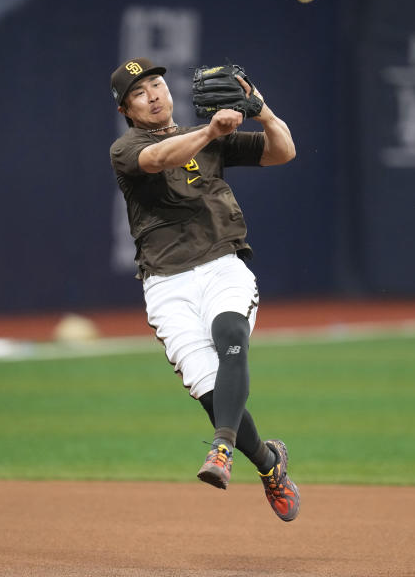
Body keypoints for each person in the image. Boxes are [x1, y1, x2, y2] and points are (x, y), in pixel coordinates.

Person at [109, 57, 300, 522]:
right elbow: (161, 158)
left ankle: (221, 450)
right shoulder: (126, 148)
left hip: (221, 266)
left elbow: (283, 152)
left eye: (157, 83)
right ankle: (270, 464)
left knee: (231, 336)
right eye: (140, 91)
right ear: (127, 110)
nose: (154, 93)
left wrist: (263, 112)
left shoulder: (211, 138)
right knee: (211, 391)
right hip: (166, 284)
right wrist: (211, 132)